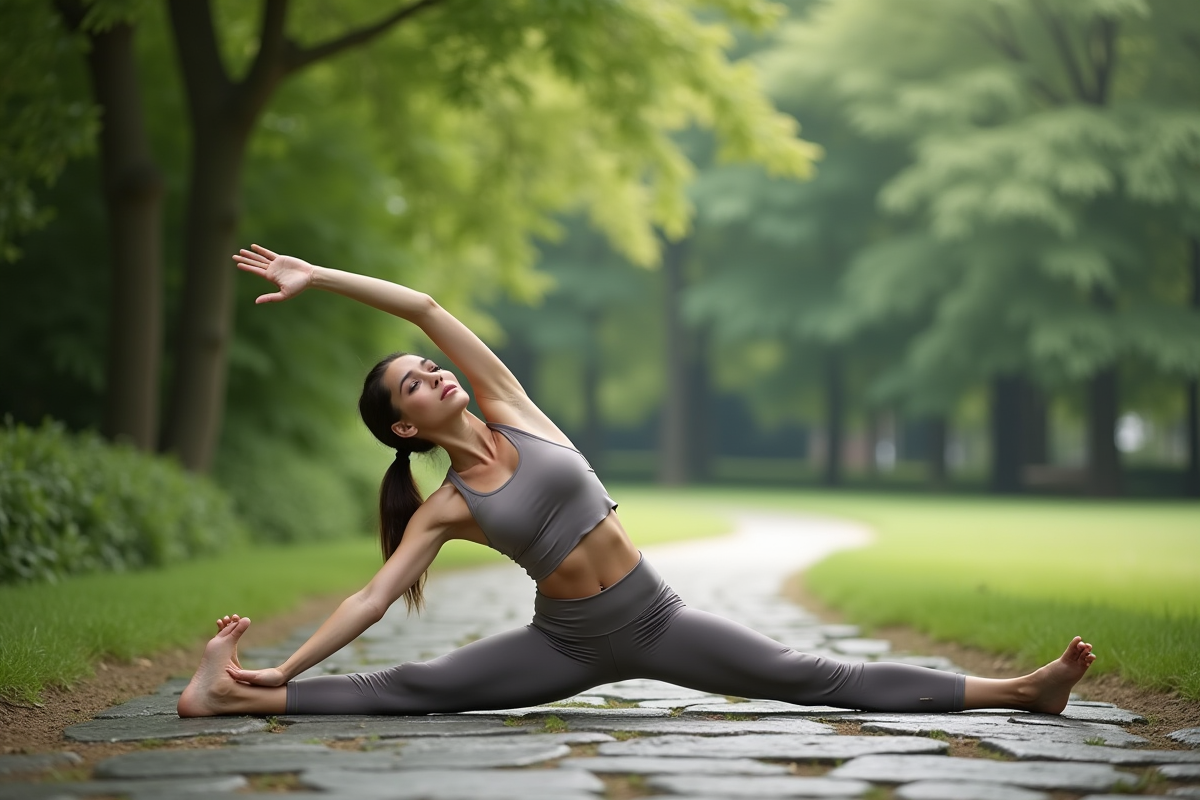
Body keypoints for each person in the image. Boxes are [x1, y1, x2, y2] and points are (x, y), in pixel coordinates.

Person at [178, 244, 1096, 718]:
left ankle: (1023, 692)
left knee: (819, 676)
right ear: (407, 428)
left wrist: (320, 277)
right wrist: (289, 661)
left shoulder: (514, 408)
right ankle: (232, 693)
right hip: (565, 645)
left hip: (657, 621)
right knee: (409, 689)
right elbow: (373, 598)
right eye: (414, 385)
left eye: (426, 366)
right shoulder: (449, 506)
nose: (433, 372)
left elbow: (423, 304)